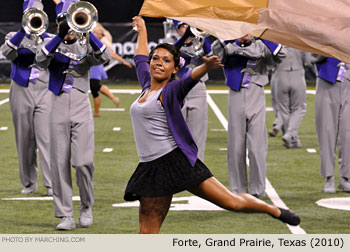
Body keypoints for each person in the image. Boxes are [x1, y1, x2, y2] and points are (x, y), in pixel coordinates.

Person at [124, 16, 300, 234]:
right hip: (150, 167)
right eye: (156, 58)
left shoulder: (170, 91)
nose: (159, 63)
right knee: (147, 230)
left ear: (174, 69)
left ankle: (272, 210)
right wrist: (142, 30)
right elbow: (140, 57)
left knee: (231, 202)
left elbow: (188, 81)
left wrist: (205, 68)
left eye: (166, 60)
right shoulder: (145, 84)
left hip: (175, 162)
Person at [36, 0, 110, 230]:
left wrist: (88, 31)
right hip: (56, 103)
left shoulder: (86, 43)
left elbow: (104, 56)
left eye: (72, 22)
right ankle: (65, 214)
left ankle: (86, 206)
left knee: (83, 161)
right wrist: (59, 36)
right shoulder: (49, 41)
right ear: (58, 23)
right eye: (64, 22)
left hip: (80, 103)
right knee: (59, 163)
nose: (70, 27)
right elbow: (40, 59)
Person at [222, 35, 286, 198]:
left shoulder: (262, 45)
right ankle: (238, 189)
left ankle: (258, 189)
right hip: (235, 93)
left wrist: (264, 36)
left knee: (257, 146)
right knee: (236, 145)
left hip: (256, 92)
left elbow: (281, 54)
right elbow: (217, 53)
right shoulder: (228, 43)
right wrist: (237, 41)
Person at [0, 0, 52, 196]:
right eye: (31, 15)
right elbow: (6, 52)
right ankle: (29, 183)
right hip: (21, 88)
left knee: (46, 138)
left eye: (38, 15)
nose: (35, 19)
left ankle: (51, 184)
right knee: (24, 138)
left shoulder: (50, 38)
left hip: (45, 89)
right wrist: (24, 30)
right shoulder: (14, 36)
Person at [173, 21, 212, 161]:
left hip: (197, 88)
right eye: (183, 26)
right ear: (177, 29)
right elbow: (171, 53)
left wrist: (202, 34)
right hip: (177, 89)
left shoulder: (201, 42)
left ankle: (197, 173)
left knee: (197, 137)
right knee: (175, 137)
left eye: (189, 25)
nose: (187, 28)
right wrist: (185, 38)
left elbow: (211, 54)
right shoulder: (170, 41)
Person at [312, 56, 350, 193]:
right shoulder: (322, 34)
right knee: (327, 132)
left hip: (348, 81)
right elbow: (310, 57)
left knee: (348, 134)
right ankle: (329, 178)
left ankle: (345, 178)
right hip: (327, 83)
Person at [90, 23, 133, 117]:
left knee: (94, 88)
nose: (94, 33)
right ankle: (99, 110)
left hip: (95, 67)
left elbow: (111, 54)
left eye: (97, 32)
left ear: (101, 34)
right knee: (95, 87)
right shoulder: (94, 41)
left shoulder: (100, 43)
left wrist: (123, 61)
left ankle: (98, 111)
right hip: (92, 66)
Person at [272, 47, 312, 148]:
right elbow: (308, 61)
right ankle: (290, 134)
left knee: (284, 110)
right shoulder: (299, 39)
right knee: (300, 108)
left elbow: (270, 62)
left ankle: (293, 140)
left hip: (280, 75)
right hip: (298, 73)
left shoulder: (277, 40)